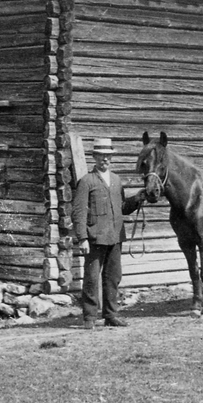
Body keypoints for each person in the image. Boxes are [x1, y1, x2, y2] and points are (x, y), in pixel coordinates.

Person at [72, 137, 144, 329]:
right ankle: (89, 317)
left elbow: (122, 208)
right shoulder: (86, 181)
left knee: (113, 277)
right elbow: (78, 212)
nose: (105, 159)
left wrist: (137, 199)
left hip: (115, 237)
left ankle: (111, 315)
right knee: (91, 279)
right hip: (95, 237)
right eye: (101, 156)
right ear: (94, 157)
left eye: (108, 156)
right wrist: (82, 238)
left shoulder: (116, 180)